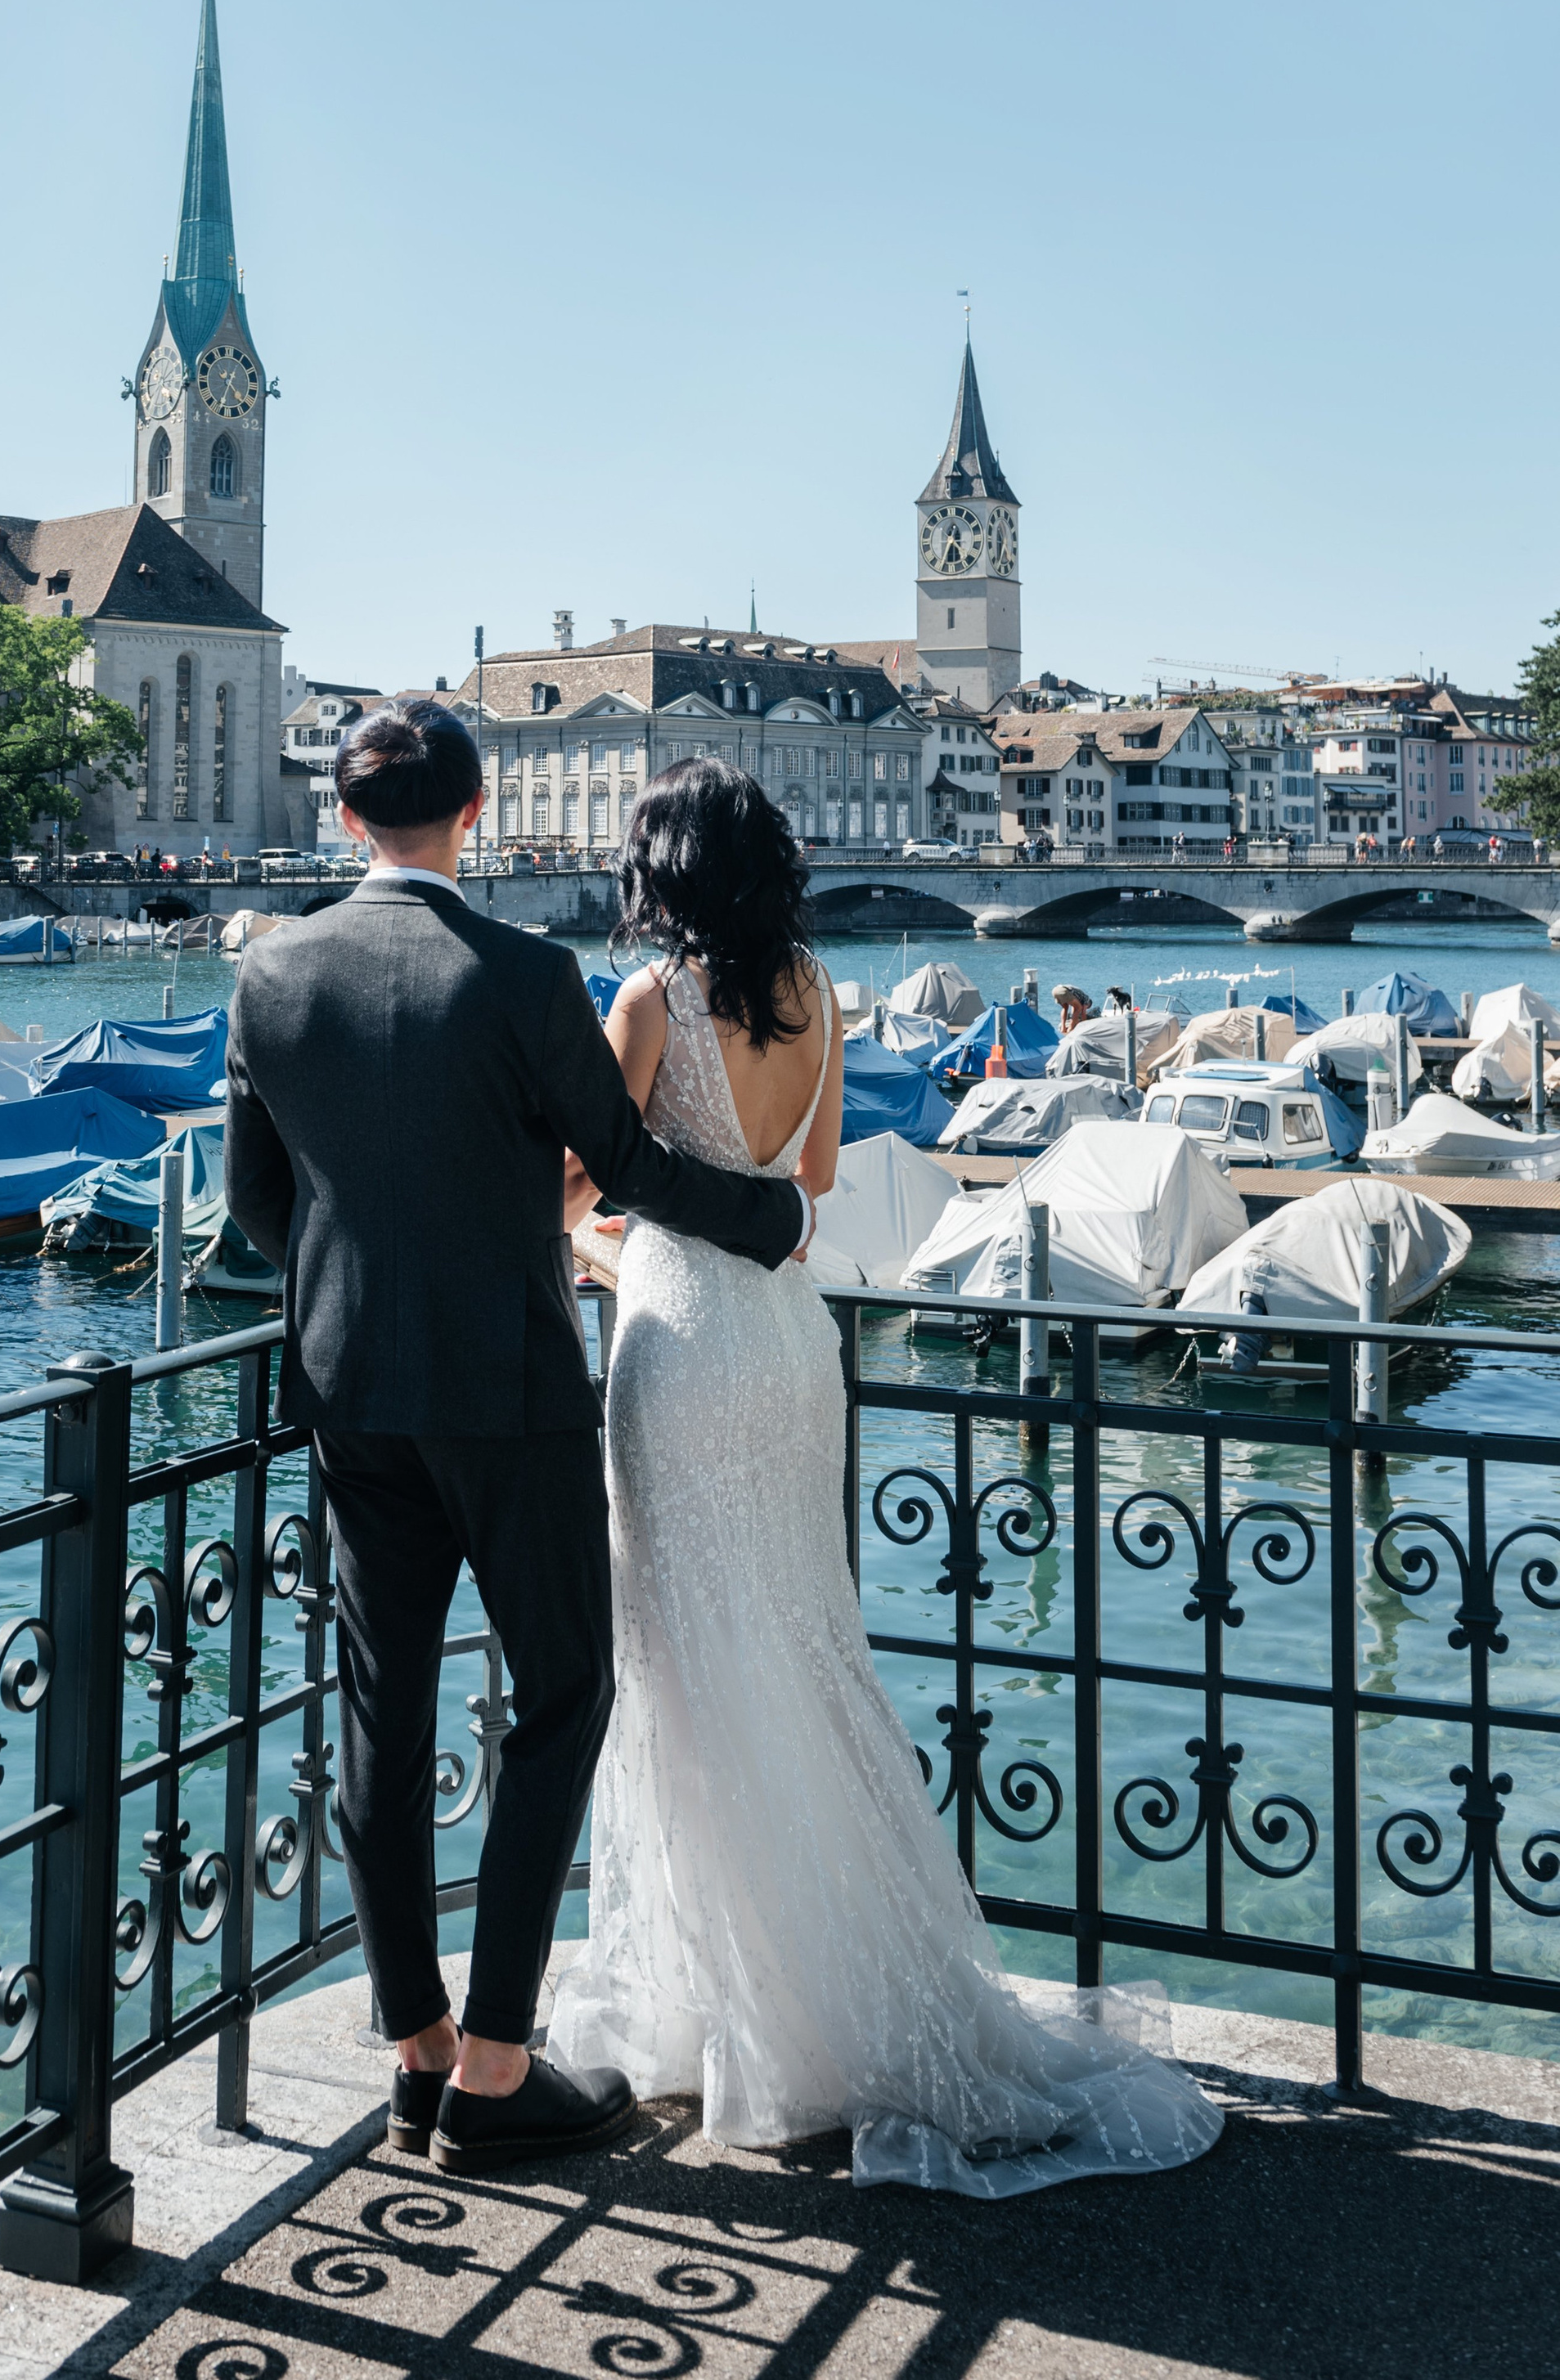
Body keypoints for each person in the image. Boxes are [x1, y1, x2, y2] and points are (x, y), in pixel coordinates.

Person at [546, 756, 1223, 2196]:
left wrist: (582, 1240)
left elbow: (580, 1183)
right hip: (791, 1353)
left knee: (681, 1662)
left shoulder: (651, 1004)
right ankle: (850, 1985)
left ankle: (725, 2004)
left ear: (666, 871)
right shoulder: (818, 985)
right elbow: (815, 1198)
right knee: (800, 1651)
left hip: (676, 1345)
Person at [224, 701, 812, 2176]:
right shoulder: (525, 973)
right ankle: (496, 2060)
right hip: (514, 1391)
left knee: (383, 1707)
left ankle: (413, 2047)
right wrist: (778, 1215)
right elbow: (623, 1168)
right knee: (561, 1691)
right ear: (475, 814)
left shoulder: (270, 971)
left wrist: (356, 1288)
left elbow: (255, 1206)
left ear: (350, 819)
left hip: (354, 1388)